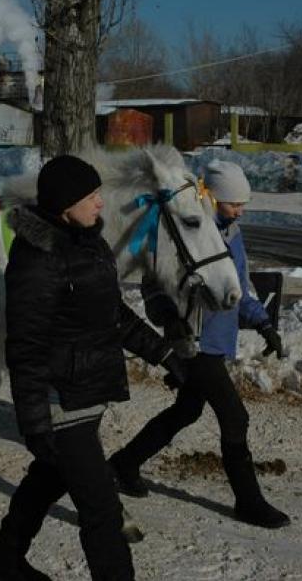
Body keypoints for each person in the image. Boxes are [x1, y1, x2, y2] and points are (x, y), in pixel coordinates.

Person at [0, 155, 187, 581]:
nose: (100, 203)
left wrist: (165, 355)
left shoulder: (88, 242)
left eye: (99, 193)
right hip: (62, 402)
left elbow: (111, 314)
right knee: (100, 509)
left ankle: (5, 564)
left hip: (87, 390)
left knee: (46, 479)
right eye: (91, 196)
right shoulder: (37, 260)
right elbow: (25, 347)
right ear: (64, 205)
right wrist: (34, 421)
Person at [108, 160, 291, 530]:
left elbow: (238, 288)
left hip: (218, 340)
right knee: (235, 416)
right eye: (232, 202)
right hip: (192, 342)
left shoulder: (233, 234)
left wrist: (263, 323)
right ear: (211, 198)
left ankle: (124, 464)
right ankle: (248, 501)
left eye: (243, 203)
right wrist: (170, 320)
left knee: (187, 410)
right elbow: (153, 286)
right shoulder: (181, 231)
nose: (239, 210)